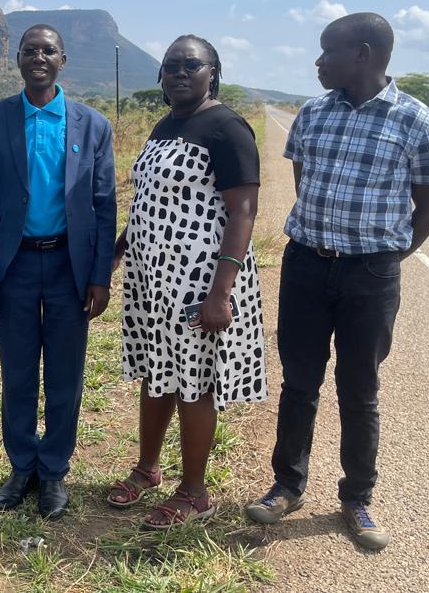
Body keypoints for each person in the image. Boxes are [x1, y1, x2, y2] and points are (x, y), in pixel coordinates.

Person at [245, 13, 429, 551]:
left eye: (327, 52)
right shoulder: (312, 114)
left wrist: (386, 257)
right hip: (307, 265)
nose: (318, 62)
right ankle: (287, 486)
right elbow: (303, 180)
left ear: (362, 54)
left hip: (371, 274)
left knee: (359, 389)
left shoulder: (419, 122)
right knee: (299, 382)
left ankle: (357, 497)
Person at [108, 35, 266, 527]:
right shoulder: (166, 124)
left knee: (193, 384)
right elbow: (149, 202)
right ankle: (147, 468)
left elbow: (243, 210)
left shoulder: (226, 127)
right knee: (158, 374)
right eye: (171, 65)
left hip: (199, 279)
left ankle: (194, 492)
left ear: (211, 72)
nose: (180, 72)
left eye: (191, 65)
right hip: (153, 278)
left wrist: (221, 292)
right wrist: (117, 252)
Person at [0, 24, 117, 520]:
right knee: (16, 370)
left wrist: (101, 274)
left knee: (65, 374)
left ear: (62, 60)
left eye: (47, 51)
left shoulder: (91, 125)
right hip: (13, 266)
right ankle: (21, 466)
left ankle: (53, 470)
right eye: (30, 50)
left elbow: (103, 204)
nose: (38, 57)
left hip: (67, 265)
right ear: (17, 59)